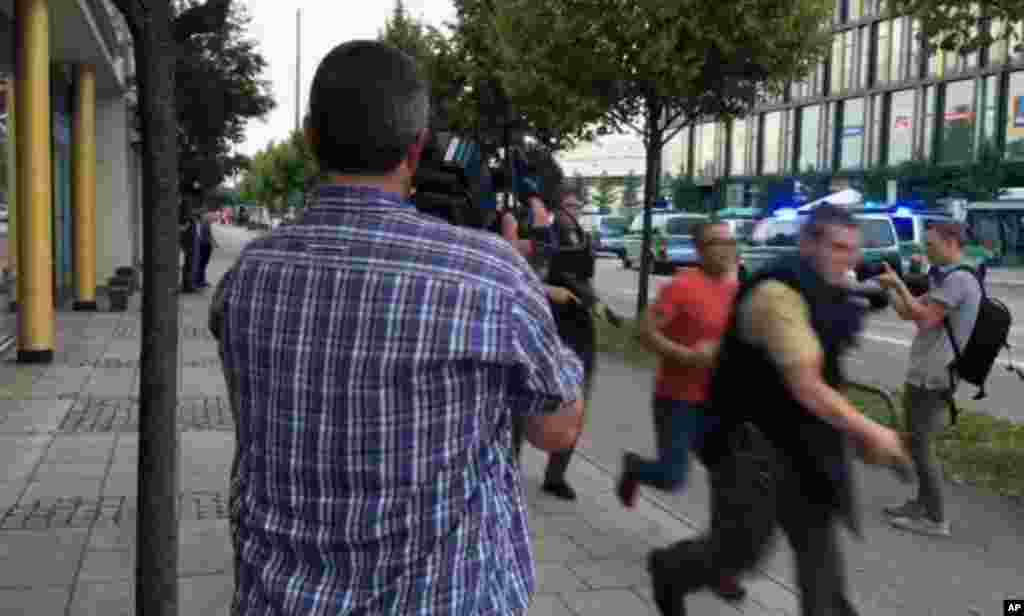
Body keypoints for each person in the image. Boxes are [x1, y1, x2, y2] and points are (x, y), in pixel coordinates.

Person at [210, 40, 586, 615]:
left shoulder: (247, 276)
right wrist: (526, 293)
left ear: (310, 138)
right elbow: (554, 432)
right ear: (417, 148)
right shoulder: (489, 275)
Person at [647, 205, 912, 616]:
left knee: (820, 559)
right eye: (838, 247)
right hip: (752, 445)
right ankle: (670, 569)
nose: (849, 258)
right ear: (808, 244)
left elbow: (826, 375)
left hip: (807, 447)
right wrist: (869, 431)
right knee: (737, 553)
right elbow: (806, 384)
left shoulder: (827, 289)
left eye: (853, 249)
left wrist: (851, 433)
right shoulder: (778, 294)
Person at [616, 220, 746, 602]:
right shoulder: (683, 286)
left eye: (729, 242)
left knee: (732, 491)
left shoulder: (739, 289)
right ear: (700, 250)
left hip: (722, 406)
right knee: (673, 477)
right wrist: (687, 355)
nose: (724, 249)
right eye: (714, 243)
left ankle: (718, 565)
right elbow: (643, 331)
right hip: (678, 398)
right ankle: (635, 468)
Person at [875, 221, 981, 537]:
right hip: (925, 371)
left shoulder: (960, 280)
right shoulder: (947, 278)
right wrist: (890, 289)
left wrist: (899, 284)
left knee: (922, 445)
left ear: (952, 242)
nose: (926, 250)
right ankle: (922, 504)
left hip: (936, 375)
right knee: (917, 441)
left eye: (931, 244)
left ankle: (936, 519)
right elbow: (910, 313)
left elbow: (924, 318)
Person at [196, 211, 218, 288]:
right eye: (214, 219)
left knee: (202, 264)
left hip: (204, 245)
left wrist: (214, 242)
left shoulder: (205, 223)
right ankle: (199, 281)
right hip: (205, 245)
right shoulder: (205, 224)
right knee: (202, 264)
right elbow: (207, 236)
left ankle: (201, 280)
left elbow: (209, 235)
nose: (214, 221)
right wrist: (213, 243)